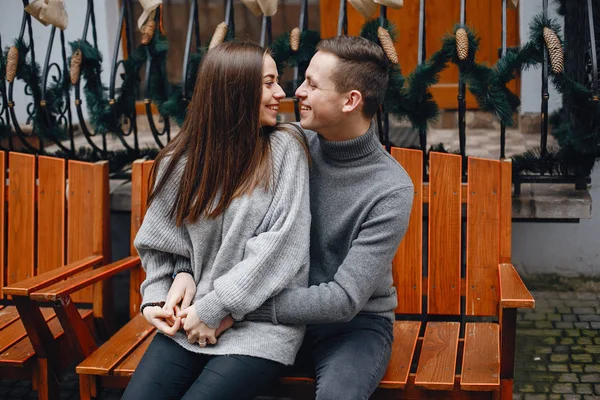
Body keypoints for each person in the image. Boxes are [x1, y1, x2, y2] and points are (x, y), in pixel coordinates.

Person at [122, 41, 311, 400]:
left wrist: (213, 308)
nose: (281, 92)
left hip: (260, 327)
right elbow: (162, 244)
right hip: (190, 323)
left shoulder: (286, 150)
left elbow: (279, 249)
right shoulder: (180, 162)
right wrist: (162, 296)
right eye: (268, 83)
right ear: (236, 90)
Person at [240, 35, 415, 399]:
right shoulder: (290, 147)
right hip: (282, 315)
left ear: (351, 101)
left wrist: (243, 307)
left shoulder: (391, 188)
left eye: (312, 85)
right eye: (302, 80)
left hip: (354, 327)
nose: (296, 92)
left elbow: (344, 299)